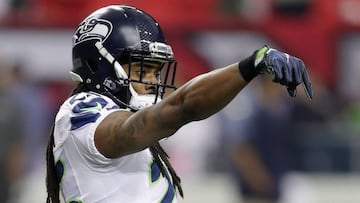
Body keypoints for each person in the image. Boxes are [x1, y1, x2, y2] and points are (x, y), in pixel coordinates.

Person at [45, 5, 313, 203]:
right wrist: (249, 66)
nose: (153, 81)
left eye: (156, 70)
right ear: (100, 65)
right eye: (143, 69)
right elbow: (174, 111)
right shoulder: (80, 110)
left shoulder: (120, 112)